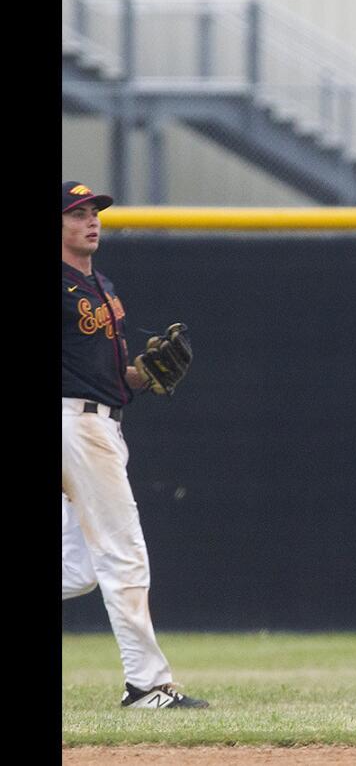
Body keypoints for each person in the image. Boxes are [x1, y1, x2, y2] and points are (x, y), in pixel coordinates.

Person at [61, 181, 209, 709]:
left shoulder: (101, 284)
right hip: (74, 425)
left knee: (77, 570)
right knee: (124, 554)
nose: (91, 220)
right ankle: (146, 685)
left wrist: (145, 375)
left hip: (102, 424)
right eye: (76, 213)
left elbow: (114, 377)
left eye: (94, 211)